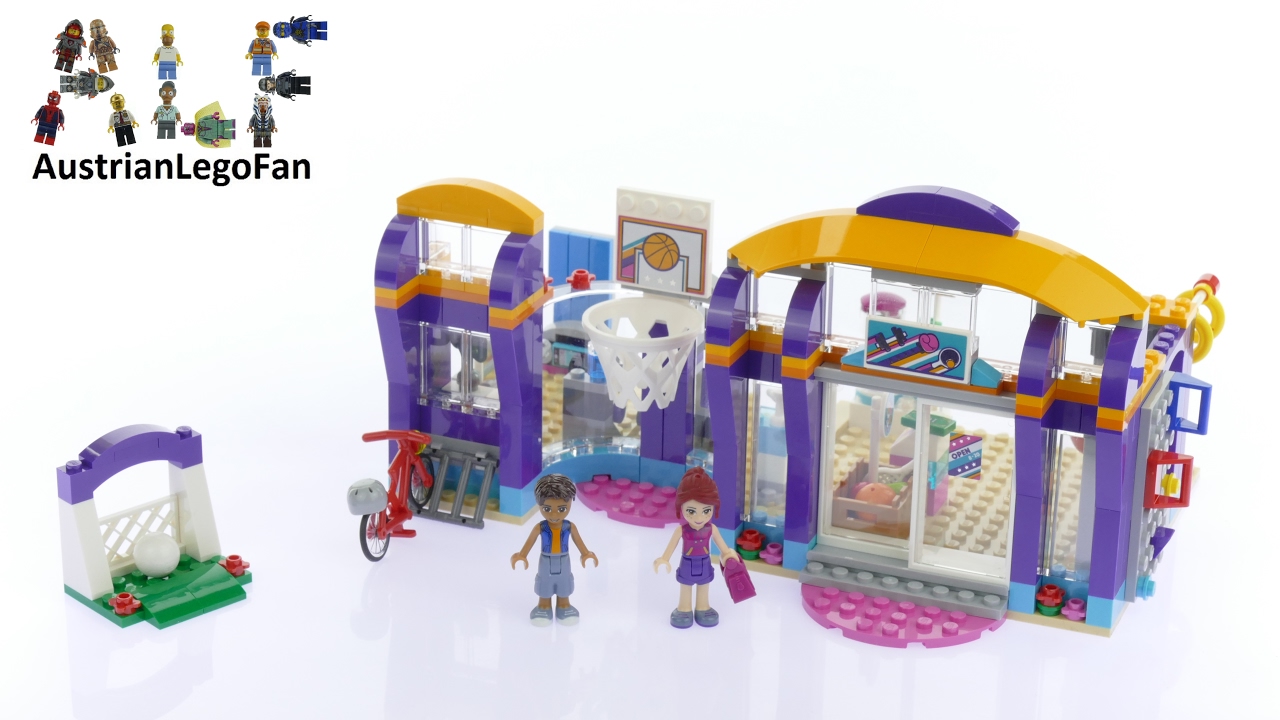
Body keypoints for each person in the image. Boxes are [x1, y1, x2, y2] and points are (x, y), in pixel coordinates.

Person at [653, 467, 741, 628]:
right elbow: (672, 545)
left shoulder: (712, 529)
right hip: (687, 562)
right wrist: (664, 559)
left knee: (704, 585)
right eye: (691, 511)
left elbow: (723, 547)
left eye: (706, 511)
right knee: (685, 586)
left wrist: (728, 554)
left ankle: (703, 607)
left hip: (705, 562)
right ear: (681, 507)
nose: (699, 517)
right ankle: (684, 608)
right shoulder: (681, 530)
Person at [511, 474, 598, 626]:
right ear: (539, 504)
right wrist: (522, 555)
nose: (554, 514)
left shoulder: (569, 527)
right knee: (544, 583)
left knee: (564, 583)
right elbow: (530, 542)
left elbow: (579, 542)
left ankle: (564, 606)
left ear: (570, 503)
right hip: (545, 561)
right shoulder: (540, 527)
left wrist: (586, 554)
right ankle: (543, 607)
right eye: (547, 508)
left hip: (564, 561)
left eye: (562, 508)